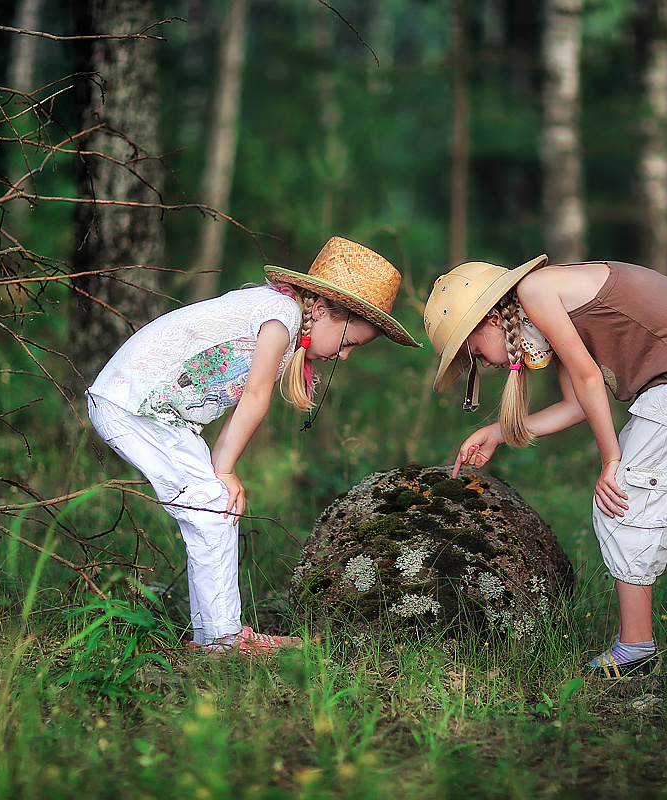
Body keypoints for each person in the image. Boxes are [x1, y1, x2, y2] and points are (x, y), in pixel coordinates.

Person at [87, 237, 420, 655]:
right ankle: (223, 639)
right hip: (132, 402)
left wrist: (220, 468)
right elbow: (255, 395)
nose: (346, 356)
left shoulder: (284, 314)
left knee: (215, 507)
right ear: (319, 310)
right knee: (212, 498)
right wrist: (224, 467)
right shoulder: (279, 314)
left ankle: (218, 637)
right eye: (348, 342)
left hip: (157, 413)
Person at [423, 256, 667, 678]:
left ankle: (636, 649)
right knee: (621, 503)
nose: (487, 364)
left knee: (623, 502)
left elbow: (590, 381)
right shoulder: (539, 311)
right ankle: (635, 644)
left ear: (493, 318)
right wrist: (498, 432)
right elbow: (575, 405)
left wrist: (611, 460)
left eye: (477, 351)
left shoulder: (535, 292)